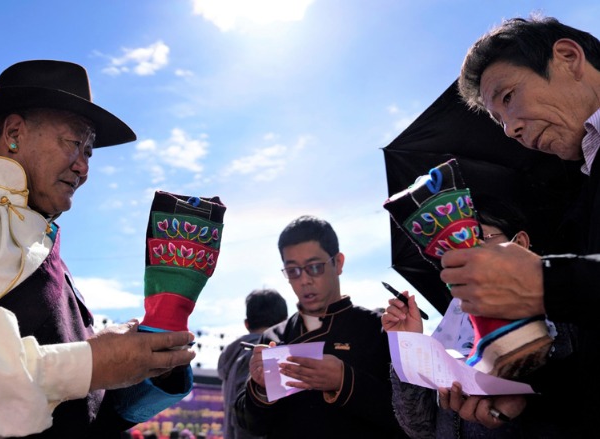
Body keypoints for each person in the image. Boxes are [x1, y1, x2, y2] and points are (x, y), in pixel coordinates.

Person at [0, 60, 196, 438]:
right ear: (14, 133)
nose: (83, 167)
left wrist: (149, 362)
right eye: (75, 143)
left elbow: (83, 412)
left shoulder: (49, 250)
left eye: (90, 152)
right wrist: (91, 363)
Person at [439, 15, 600, 435]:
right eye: (497, 120)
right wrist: (524, 395)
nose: (510, 129)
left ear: (568, 57)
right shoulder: (581, 193)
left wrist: (546, 284)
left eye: (509, 97)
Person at [383, 196, 577, 438]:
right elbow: (419, 429)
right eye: (454, 248)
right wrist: (410, 342)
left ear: (520, 243)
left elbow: (574, 398)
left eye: (476, 239)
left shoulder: (564, 310)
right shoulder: (455, 319)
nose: (466, 254)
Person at [234, 215, 408, 438]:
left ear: (338, 263)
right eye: (293, 271)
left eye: (314, 267)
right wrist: (259, 389)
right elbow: (250, 425)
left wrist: (344, 381)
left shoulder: (378, 328)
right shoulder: (274, 336)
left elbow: (411, 417)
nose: (304, 280)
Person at [217, 288, 288, 439]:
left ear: (247, 324)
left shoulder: (233, 356)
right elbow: (249, 418)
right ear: (285, 322)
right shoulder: (263, 355)